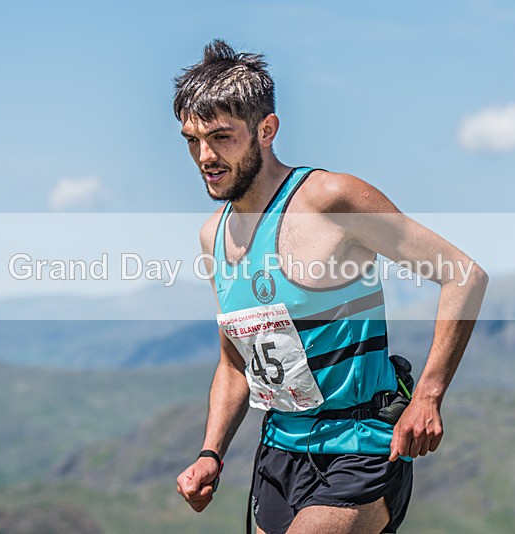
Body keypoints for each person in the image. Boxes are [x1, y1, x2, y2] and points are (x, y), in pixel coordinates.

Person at [173, 40, 488, 534]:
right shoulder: (213, 235)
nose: (205, 156)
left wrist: (428, 395)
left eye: (221, 137)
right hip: (278, 452)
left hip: (361, 447)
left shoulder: (330, 198)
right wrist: (211, 452)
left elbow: (463, 274)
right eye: (192, 140)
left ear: (267, 130)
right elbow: (235, 363)